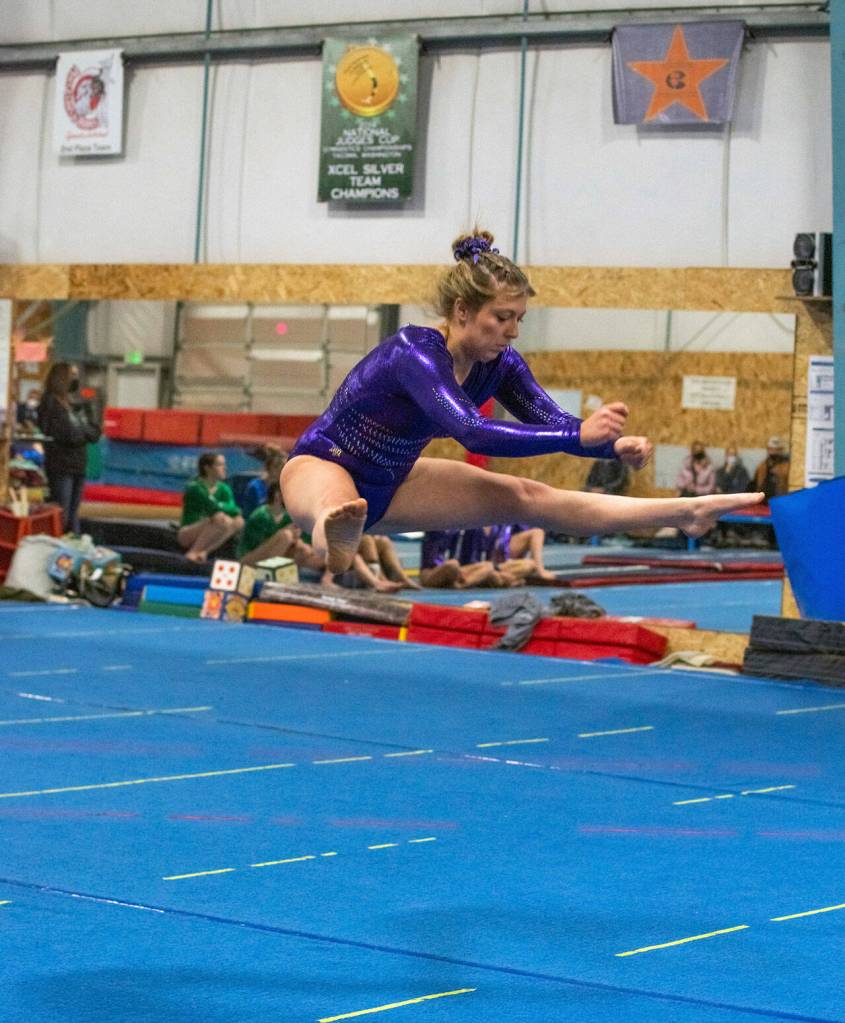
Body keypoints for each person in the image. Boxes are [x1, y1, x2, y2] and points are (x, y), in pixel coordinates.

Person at [280, 228, 764, 574]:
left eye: (520, 319)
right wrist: (577, 435)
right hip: (324, 462)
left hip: (397, 478)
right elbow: (471, 430)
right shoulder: (416, 352)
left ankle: (684, 514)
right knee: (337, 503)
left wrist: (606, 447)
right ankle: (333, 539)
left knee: (529, 497)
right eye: (502, 317)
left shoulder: (501, 362)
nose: (512, 331)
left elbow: (549, 419)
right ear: (463, 311)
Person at [37, 362, 102, 534]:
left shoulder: (74, 403)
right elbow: (67, 434)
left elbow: (94, 434)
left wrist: (82, 431)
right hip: (60, 465)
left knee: (73, 515)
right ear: (61, 379)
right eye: (71, 376)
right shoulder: (50, 402)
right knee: (62, 514)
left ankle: (73, 550)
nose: (75, 380)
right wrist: (83, 432)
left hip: (78, 464)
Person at [237, 481, 327, 576]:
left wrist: (298, 542)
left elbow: (306, 547)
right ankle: (264, 575)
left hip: (272, 559)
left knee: (304, 551)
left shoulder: (289, 517)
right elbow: (258, 547)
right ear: (277, 496)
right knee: (286, 536)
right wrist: (282, 535)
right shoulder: (260, 516)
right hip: (247, 561)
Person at [178, 452, 244, 562]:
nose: (225, 468)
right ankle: (193, 552)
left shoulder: (224, 488)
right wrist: (222, 507)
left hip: (216, 529)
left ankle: (205, 552)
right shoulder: (195, 487)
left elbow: (235, 510)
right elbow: (211, 507)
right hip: (188, 533)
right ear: (207, 468)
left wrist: (221, 507)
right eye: (220, 465)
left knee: (239, 521)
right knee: (219, 519)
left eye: (224, 464)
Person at [419, 529, 513, 589]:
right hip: (431, 572)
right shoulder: (433, 529)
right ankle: (465, 582)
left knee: (488, 566)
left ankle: (463, 584)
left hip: (455, 569)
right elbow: (432, 560)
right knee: (452, 564)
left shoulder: (457, 531)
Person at [242, 445, 287, 519]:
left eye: (283, 467)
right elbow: (248, 515)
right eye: (276, 466)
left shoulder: (286, 488)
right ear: (268, 467)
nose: (280, 470)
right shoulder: (255, 487)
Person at [752, 436, 790, 503]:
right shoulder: (762, 467)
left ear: (780, 450)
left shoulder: (787, 466)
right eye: (771, 449)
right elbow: (755, 485)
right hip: (762, 501)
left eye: (776, 449)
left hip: (780, 501)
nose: (773, 451)